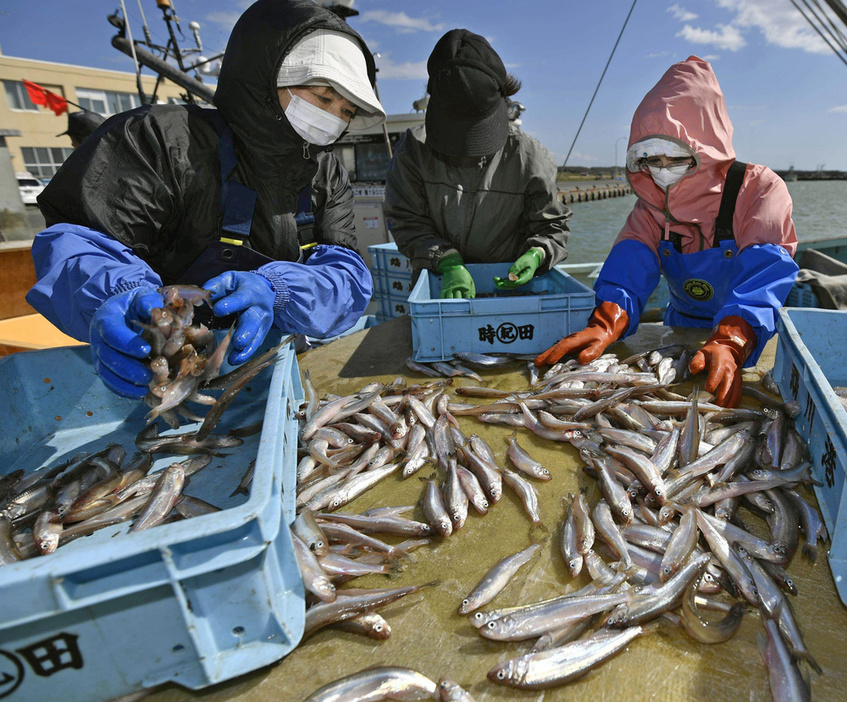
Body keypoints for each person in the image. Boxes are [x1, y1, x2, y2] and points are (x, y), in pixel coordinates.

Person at [26, 0, 385, 399]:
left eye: (346, 111)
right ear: (264, 78)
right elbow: (79, 243)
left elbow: (347, 274)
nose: (332, 118)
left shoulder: (325, 172)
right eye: (322, 97)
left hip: (267, 376)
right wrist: (117, 295)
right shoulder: (160, 141)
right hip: (150, 377)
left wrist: (280, 290)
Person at [536, 56, 798, 408]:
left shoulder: (759, 190)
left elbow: (765, 274)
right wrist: (606, 321)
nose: (662, 171)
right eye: (650, 160)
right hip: (679, 331)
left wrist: (733, 340)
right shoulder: (651, 205)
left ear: (706, 149)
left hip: (749, 337)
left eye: (675, 158)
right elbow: (630, 264)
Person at [383, 29, 571, 299]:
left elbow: (552, 226)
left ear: (502, 98)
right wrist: (445, 260)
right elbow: (405, 219)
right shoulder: (412, 151)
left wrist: (537, 253)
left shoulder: (530, 156)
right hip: (440, 289)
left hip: (511, 296)